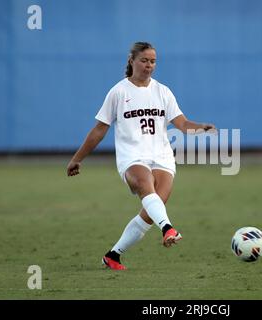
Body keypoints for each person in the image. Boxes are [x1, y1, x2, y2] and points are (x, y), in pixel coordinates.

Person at [66, 42, 216, 270]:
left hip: (163, 157)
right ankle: (168, 229)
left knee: (149, 213)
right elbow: (99, 129)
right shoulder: (119, 92)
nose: (149, 65)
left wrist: (201, 127)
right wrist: (77, 158)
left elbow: (183, 124)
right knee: (146, 186)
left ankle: (113, 255)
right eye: (144, 60)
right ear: (131, 60)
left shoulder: (162, 91)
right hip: (132, 157)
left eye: (153, 61)